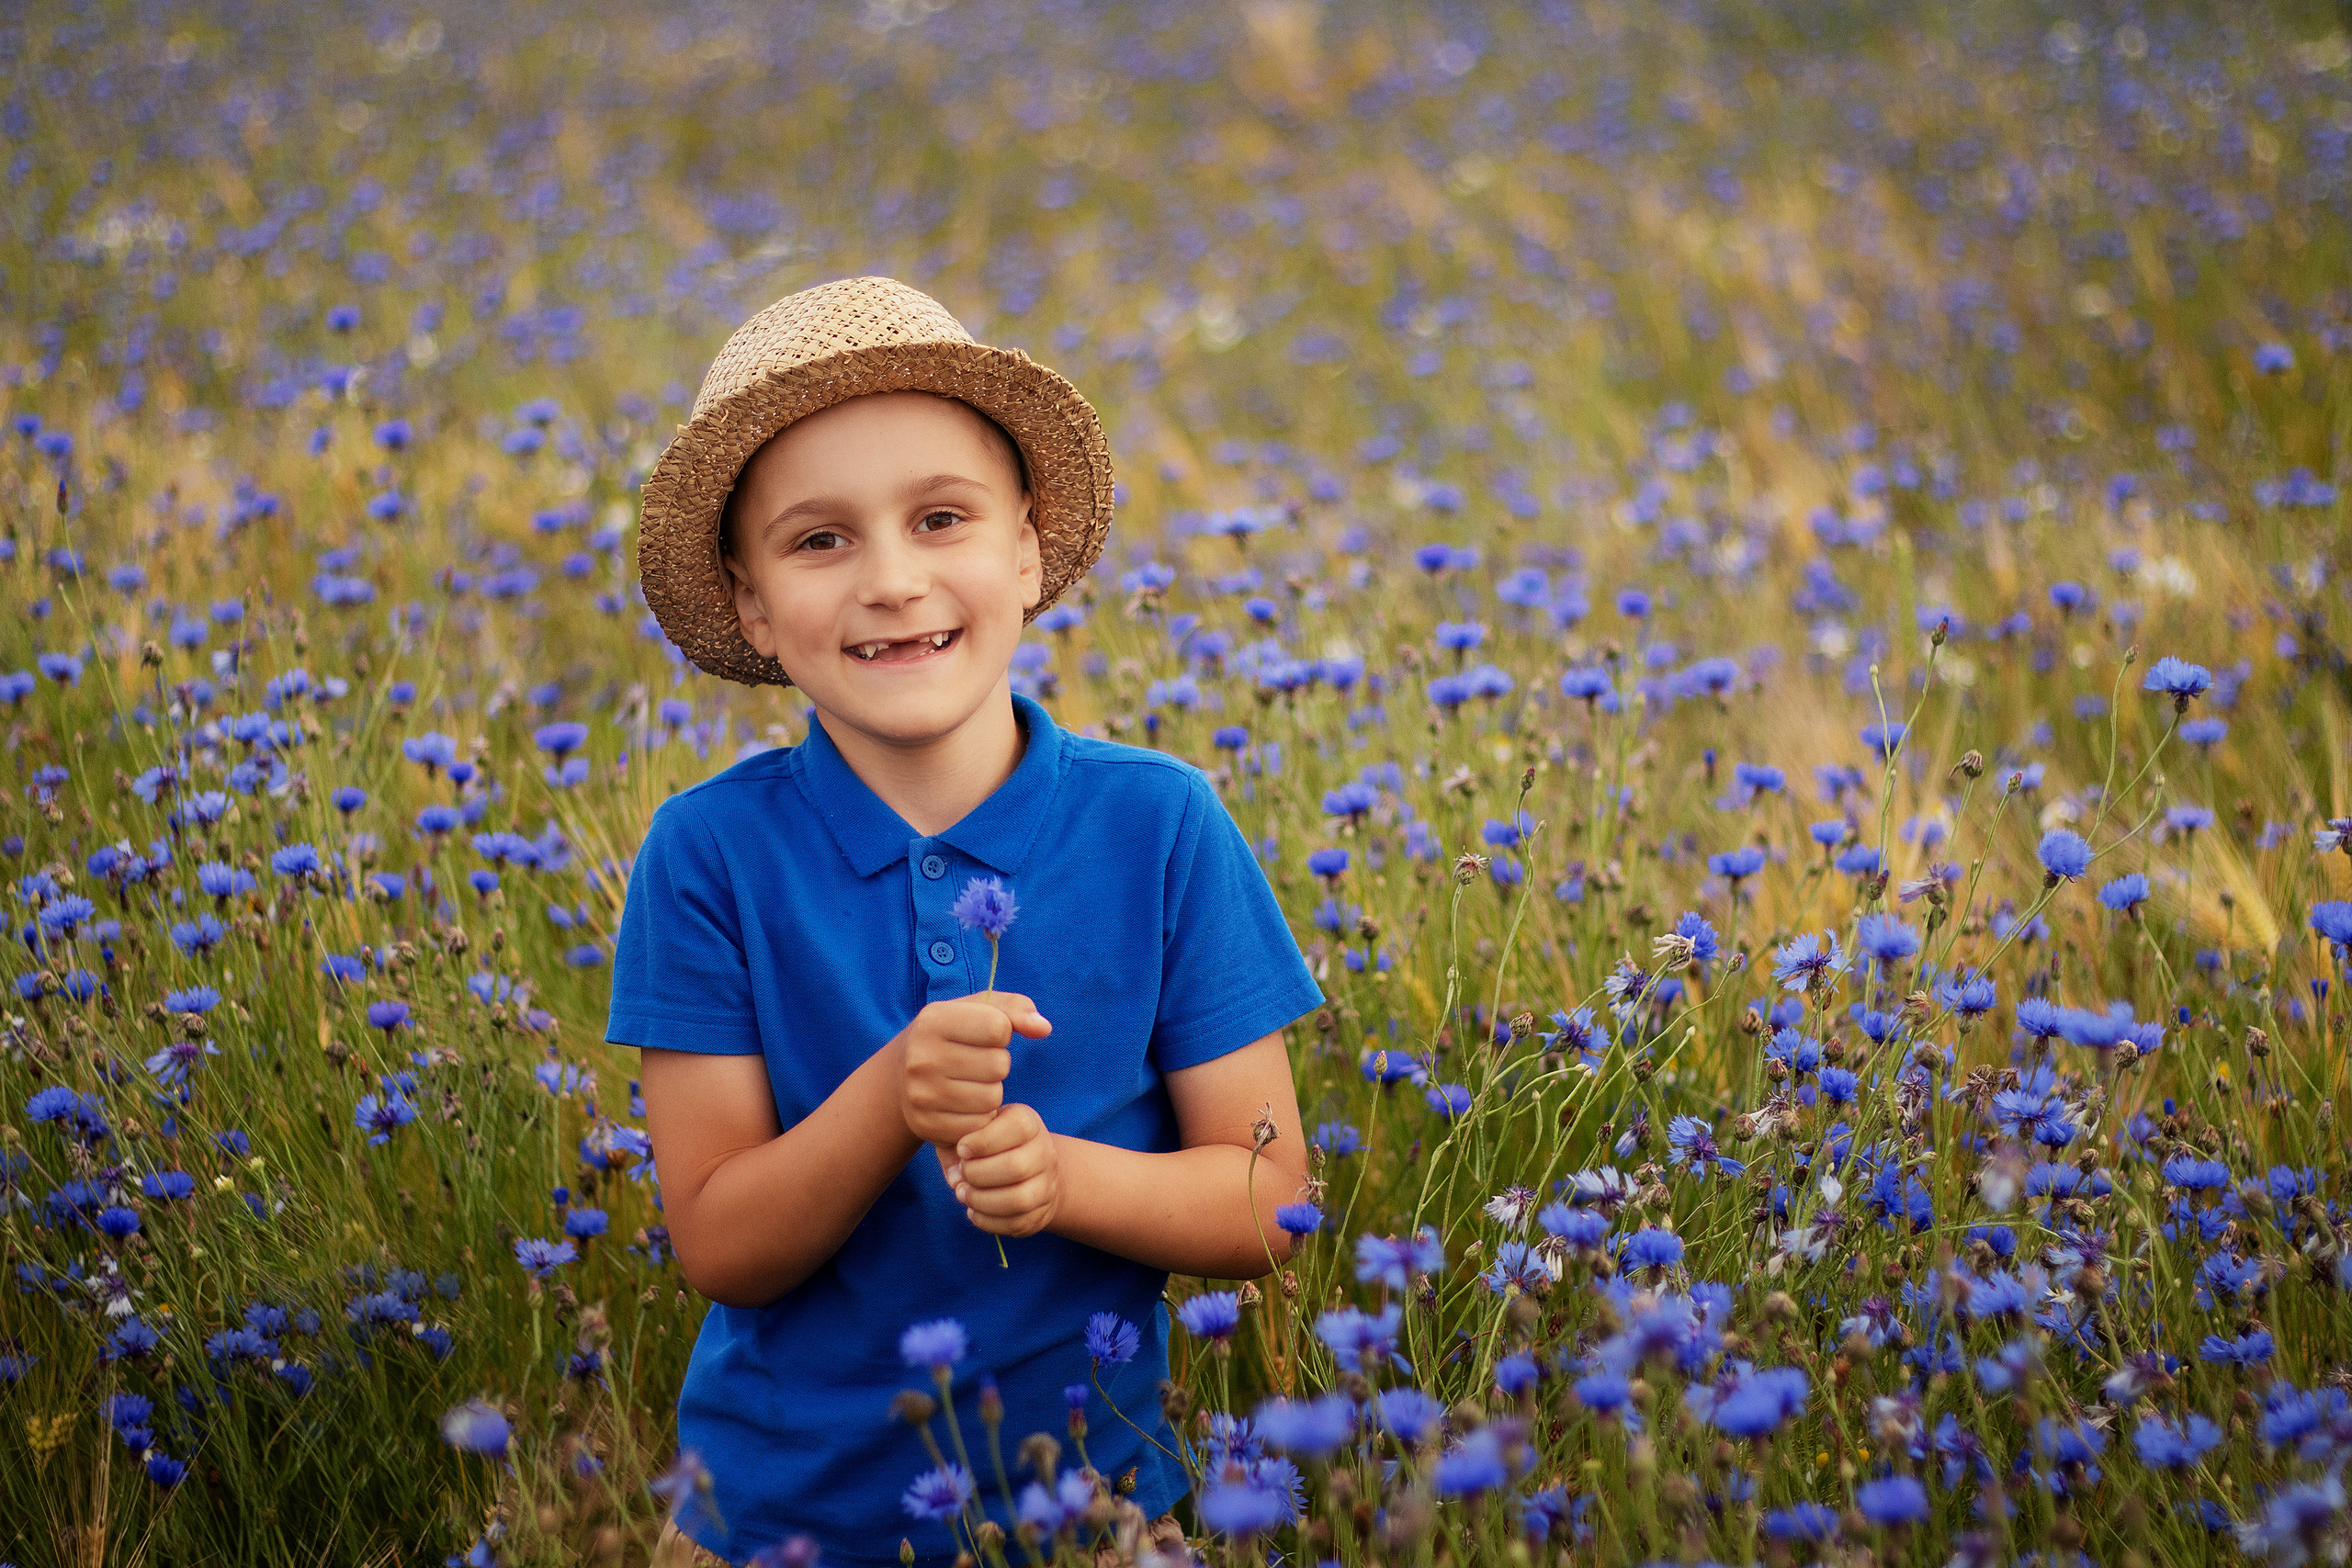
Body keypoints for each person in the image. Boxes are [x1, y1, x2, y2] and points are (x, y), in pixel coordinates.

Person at [613, 275, 1324, 1567]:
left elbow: (1268, 1199)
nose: (892, 581)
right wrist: (893, 1095)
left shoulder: (1160, 827)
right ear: (754, 599)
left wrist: (1064, 1178)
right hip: (778, 1527)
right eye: (820, 541)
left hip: (1099, 1512)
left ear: (1028, 548)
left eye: (940, 518)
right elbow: (721, 1242)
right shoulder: (706, 857)